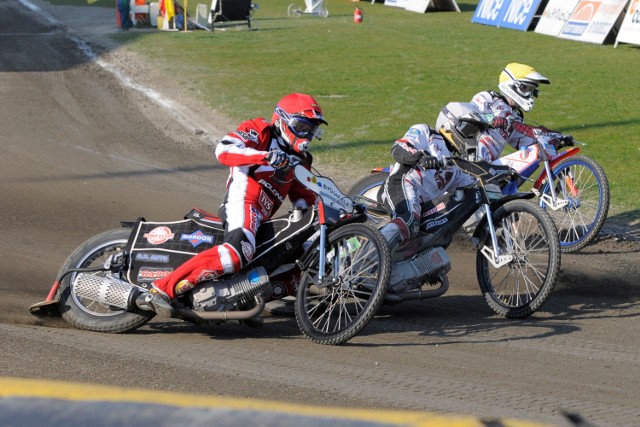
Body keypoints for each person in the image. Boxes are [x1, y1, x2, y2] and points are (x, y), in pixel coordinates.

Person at [147, 93, 328, 315]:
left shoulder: (301, 161)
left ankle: (242, 300)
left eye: (312, 130)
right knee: (236, 254)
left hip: (263, 218)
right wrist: (265, 157)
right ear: (281, 119)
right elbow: (223, 150)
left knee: (293, 254)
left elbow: (304, 198)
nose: (307, 136)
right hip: (243, 202)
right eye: (301, 126)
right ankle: (161, 289)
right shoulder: (259, 130)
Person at [378, 124, 476, 249]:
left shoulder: (457, 167)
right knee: (408, 221)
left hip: (422, 204)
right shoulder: (427, 132)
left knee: (441, 235)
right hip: (403, 183)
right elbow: (398, 148)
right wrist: (421, 157)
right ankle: (370, 250)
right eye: (472, 129)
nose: (473, 135)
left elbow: (471, 185)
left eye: (477, 133)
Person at [468, 63, 553, 162]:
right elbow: (469, 115)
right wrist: (493, 119)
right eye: (525, 89)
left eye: (531, 90)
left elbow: (526, 143)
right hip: (468, 156)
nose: (529, 94)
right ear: (512, 85)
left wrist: (552, 139)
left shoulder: (516, 117)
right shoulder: (488, 97)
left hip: (488, 167)